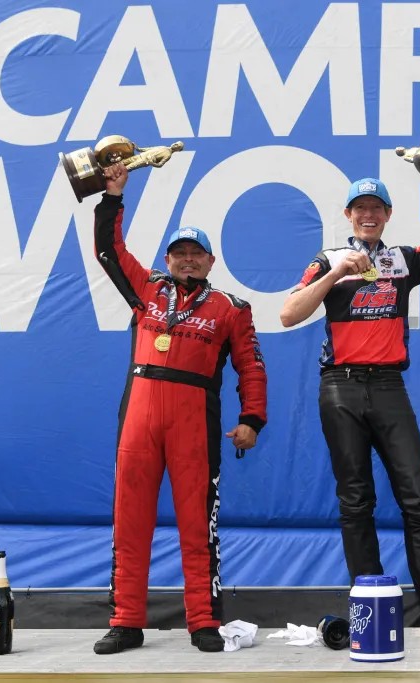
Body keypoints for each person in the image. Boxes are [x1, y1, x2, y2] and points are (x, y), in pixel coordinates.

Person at [279, 176, 420, 649]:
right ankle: (370, 608)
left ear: (387, 215)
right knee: (356, 501)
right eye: (359, 208)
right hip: (340, 389)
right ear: (348, 215)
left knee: (418, 499)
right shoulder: (327, 259)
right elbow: (288, 314)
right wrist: (334, 273)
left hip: (389, 386)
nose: (368, 215)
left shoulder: (401, 259)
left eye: (377, 208)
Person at [90, 161, 268, 654]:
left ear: (211, 261)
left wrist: (252, 418)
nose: (187, 261)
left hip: (195, 421)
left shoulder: (231, 307)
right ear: (168, 259)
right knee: (130, 520)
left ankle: (203, 621)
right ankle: (126, 620)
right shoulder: (146, 290)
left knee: (197, 521)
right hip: (140, 419)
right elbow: (109, 251)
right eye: (180, 253)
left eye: (196, 254)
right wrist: (112, 197)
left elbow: (251, 367)